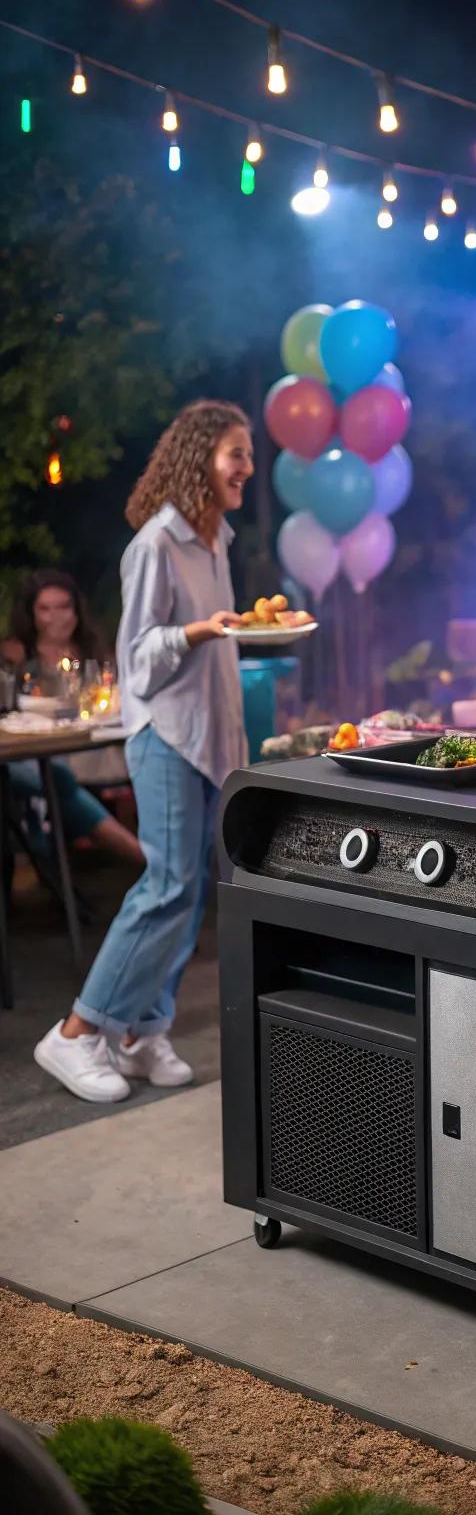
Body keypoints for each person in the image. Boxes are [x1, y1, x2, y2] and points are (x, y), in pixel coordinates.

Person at [34, 400, 251, 1104]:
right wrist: (193, 632)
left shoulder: (217, 540)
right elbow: (138, 660)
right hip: (166, 739)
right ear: (199, 460)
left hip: (211, 740)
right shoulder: (156, 544)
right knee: (164, 888)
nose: (247, 468)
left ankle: (137, 1030)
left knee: (188, 899)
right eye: (235, 454)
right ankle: (75, 1033)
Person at [3, 570, 143, 867]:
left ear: (76, 610)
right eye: (45, 608)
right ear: (32, 613)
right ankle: (143, 858)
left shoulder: (94, 652)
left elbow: (113, 700)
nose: (56, 617)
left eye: (63, 606)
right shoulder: (17, 657)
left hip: (91, 745)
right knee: (56, 774)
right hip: (33, 749)